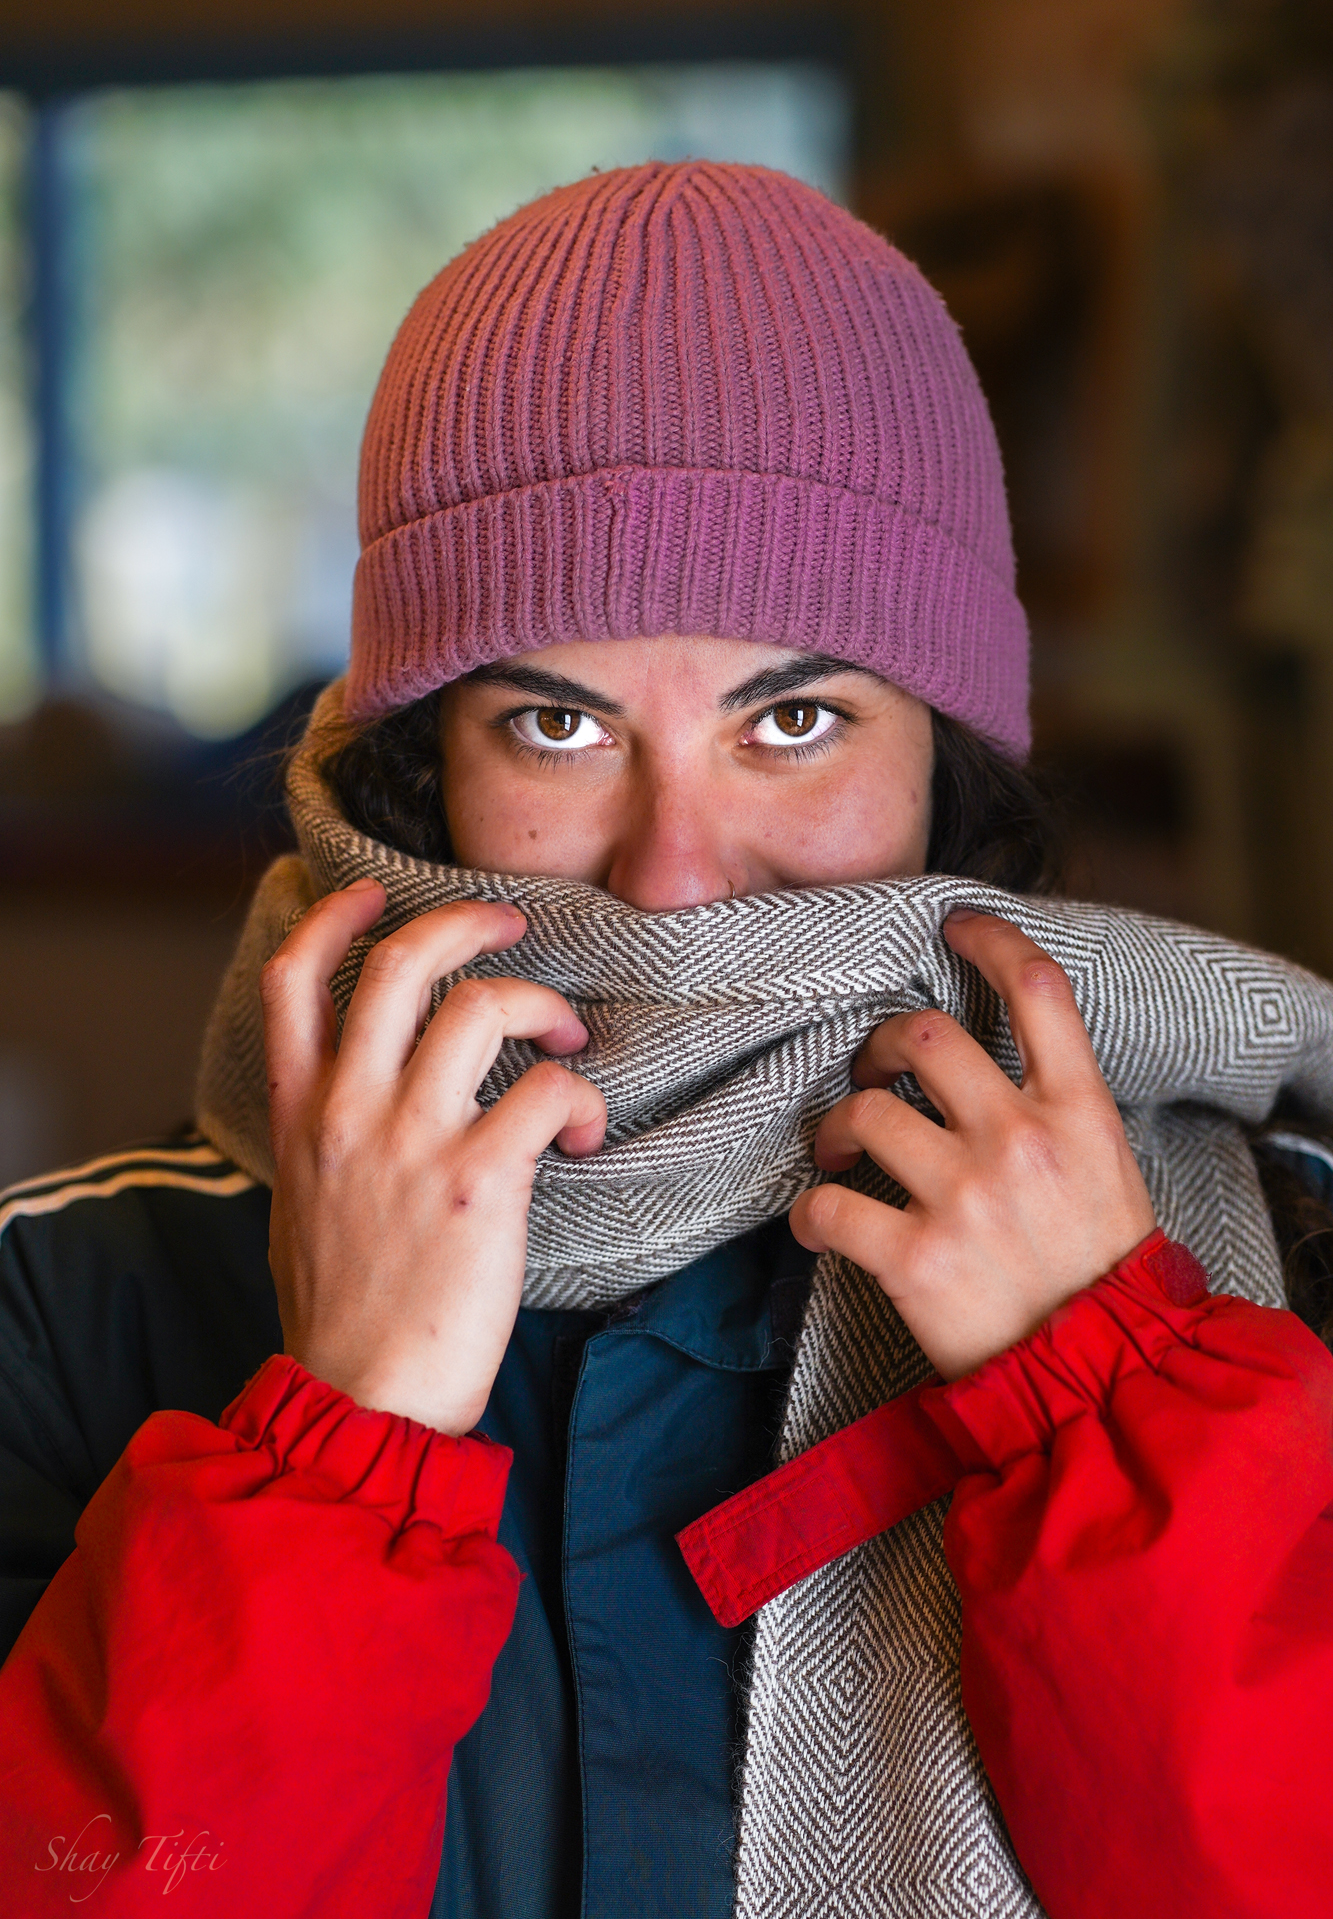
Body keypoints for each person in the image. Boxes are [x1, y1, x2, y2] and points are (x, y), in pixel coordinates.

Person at [2, 160, 1333, 1919]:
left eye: (793, 720)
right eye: (556, 724)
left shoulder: (1277, 1265)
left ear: (946, 759)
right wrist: (338, 1453)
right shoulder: (69, 1312)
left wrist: (1111, 1418)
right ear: (418, 766)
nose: (674, 876)